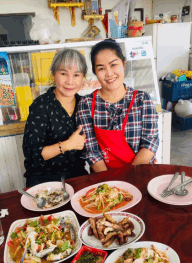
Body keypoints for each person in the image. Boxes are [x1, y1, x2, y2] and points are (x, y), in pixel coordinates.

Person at [76, 39, 159, 172]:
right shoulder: (86, 104)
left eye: (113, 65)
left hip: (139, 173)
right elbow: (91, 152)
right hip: (104, 180)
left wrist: (129, 179)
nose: (109, 73)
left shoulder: (142, 100)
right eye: (101, 68)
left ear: (124, 64)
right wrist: (112, 186)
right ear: (95, 72)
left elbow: (150, 143)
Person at [23, 48, 88, 187]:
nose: (70, 81)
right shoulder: (41, 106)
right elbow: (33, 155)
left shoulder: (85, 105)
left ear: (83, 78)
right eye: (63, 73)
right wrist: (67, 145)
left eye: (76, 75)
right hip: (44, 180)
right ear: (53, 74)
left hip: (77, 177)